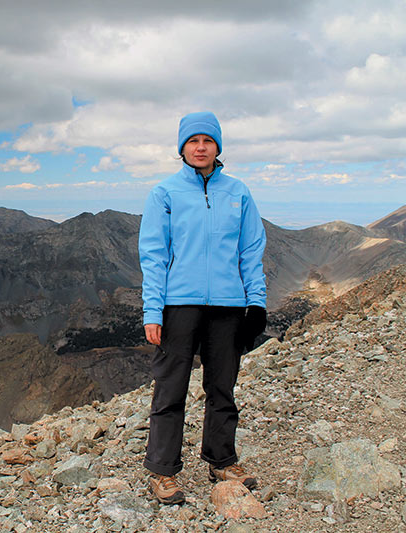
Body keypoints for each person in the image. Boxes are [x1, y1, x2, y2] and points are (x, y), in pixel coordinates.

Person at [138, 111, 267, 504]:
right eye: (192, 141)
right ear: (181, 148)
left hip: (228, 306)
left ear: (218, 147)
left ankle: (221, 460)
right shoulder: (165, 193)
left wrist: (256, 304)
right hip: (179, 305)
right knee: (171, 388)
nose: (200, 147)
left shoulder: (238, 192)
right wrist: (152, 310)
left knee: (222, 388)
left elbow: (251, 252)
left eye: (207, 141)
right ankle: (162, 472)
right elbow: (154, 255)